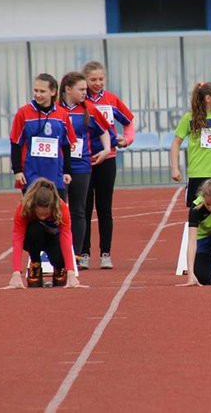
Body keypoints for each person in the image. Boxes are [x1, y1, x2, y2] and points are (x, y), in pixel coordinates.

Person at [81, 60, 135, 270]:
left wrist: (126, 140)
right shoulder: (80, 100)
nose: (97, 83)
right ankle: (84, 254)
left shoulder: (111, 100)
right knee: (83, 209)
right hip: (84, 160)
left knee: (104, 208)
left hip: (108, 159)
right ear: (85, 80)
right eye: (93, 79)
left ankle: (106, 253)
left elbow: (128, 121)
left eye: (100, 79)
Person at [59, 72, 112, 269]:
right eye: (81, 89)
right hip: (58, 167)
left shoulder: (88, 109)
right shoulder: (56, 110)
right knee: (57, 209)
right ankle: (58, 253)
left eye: (85, 89)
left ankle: (77, 254)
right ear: (68, 89)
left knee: (78, 210)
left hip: (81, 166)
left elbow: (104, 130)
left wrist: (106, 150)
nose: (85, 93)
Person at [3, 178, 86, 289]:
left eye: (46, 214)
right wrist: (16, 273)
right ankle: (35, 264)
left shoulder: (61, 207)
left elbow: (66, 236)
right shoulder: (24, 208)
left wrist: (71, 272)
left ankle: (59, 268)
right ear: (33, 206)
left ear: (52, 207)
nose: (42, 217)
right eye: (39, 214)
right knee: (35, 229)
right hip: (34, 238)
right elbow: (18, 238)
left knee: (58, 258)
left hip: (54, 237)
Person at [10, 73, 76, 200]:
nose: (38, 94)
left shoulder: (62, 114)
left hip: (55, 173)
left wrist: (67, 171)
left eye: (42, 91)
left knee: (57, 209)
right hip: (31, 173)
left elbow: (66, 144)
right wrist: (17, 170)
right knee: (33, 209)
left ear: (53, 92)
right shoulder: (23, 113)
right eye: (36, 91)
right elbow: (15, 143)